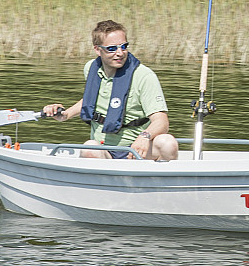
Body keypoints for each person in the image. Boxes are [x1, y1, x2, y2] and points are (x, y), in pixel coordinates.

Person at [43, 19, 179, 161]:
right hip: (105, 150)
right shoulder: (91, 69)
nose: (120, 53)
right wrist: (65, 114)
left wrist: (144, 137)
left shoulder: (144, 76)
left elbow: (162, 122)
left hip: (138, 150)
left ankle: (158, 180)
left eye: (123, 47)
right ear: (97, 49)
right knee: (89, 147)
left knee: (167, 143)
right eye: (112, 48)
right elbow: (91, 100)